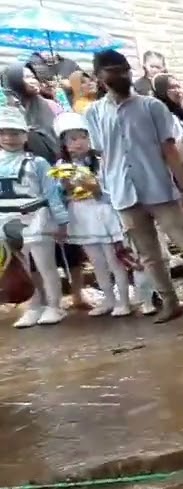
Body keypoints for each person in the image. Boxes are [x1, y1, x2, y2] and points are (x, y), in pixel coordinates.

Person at [84, 49, 183, 323]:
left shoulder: (152, 106)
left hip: (159, 188)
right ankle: (169, 303)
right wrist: (106, 192)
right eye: (112, 71)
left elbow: (169, 149)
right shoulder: (93, 113)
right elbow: (102, 153)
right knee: (149, 255)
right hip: (123, 194)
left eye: (123, 69)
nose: (120, 75)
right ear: (99, 76)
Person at [50, 112, 131, 318]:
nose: (78, 143)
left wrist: (93, 187)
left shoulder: (101, 161)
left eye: (82, 137)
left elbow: (111, 189)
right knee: (96, 261)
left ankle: (124, 300)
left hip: (104, 213)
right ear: (64, 144)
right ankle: (108, 299)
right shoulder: (60, 166)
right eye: (72, 139)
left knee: (115, 260)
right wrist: (67, 184)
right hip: (81, 216)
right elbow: (60, 194)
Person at [0, 107, 69, 327]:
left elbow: (52, 193)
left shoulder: (37, 163)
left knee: (44, 266)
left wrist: (61, 221)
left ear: (25, 135)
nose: (9, 138)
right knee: (22, 267)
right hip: (5, 222)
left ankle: (54, 305)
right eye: (3, 133)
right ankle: (33, 305)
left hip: (36, 218)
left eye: (15, 133)